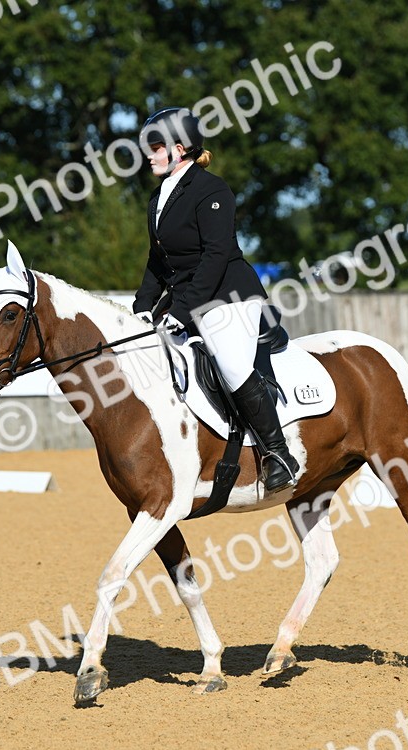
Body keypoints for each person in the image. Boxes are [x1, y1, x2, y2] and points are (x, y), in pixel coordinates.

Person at [132, 107, 299, 492]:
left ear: (180, 148)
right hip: (187, 299)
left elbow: (216, 254)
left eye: (156, 147)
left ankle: (279, 455)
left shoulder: (212, 189)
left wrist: (183, 310)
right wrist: (142, 306)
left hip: (229, 296)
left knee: (231, 364)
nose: (150, 154)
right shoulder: (158, 198)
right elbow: (158, 261)